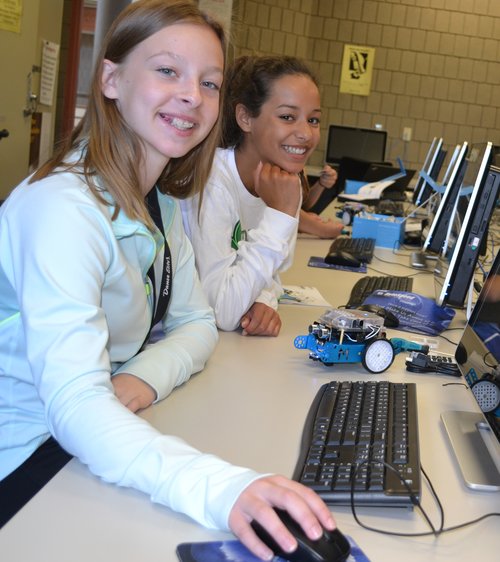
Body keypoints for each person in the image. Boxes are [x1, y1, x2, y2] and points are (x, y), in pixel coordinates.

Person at [0, 2, 335, 560]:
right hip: (28, 468)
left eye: (208, 82)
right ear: (110, 79)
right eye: (166, 71)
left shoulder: (160, 202)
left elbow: (198, 321)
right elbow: (75, 404)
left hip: (92, 438)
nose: (191, 95)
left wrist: (142, 380)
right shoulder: (62, 208)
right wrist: (223, 488)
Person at [181, 55, 341, 337]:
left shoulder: (285, 185)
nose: (305, 133)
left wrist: (263, 299)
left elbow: (273, 271)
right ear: (245, 118)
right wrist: (279, 216)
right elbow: (222, 311)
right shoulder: (212, 182)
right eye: (287, 117)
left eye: (313, 120)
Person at [300, 164, 344, 238]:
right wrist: (323, 229)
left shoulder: (300, 166)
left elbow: (303, 205)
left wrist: (321, 183)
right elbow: (281, 209)